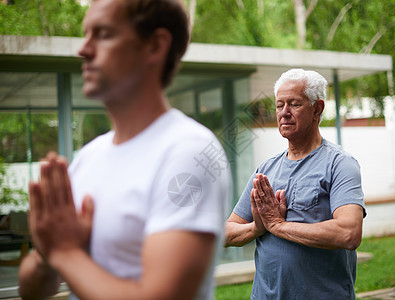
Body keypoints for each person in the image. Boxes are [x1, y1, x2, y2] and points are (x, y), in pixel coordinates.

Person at [18, 0, 231, 299]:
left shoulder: (189, 152)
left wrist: (64, 252)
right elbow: (32, 291)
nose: (84, 49)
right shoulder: (88, 157)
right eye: (86, 33)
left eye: (103, 34)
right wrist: (45, 254)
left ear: (155, 46)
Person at [225, 68, 366, 299]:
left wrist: (278, 226)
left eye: (294, 104)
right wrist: (257, 228)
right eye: (280, 105)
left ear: (317, 109)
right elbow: (227, 231)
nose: (284, 113)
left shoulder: (340, 164)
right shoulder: (265, 170)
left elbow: (349, 233)